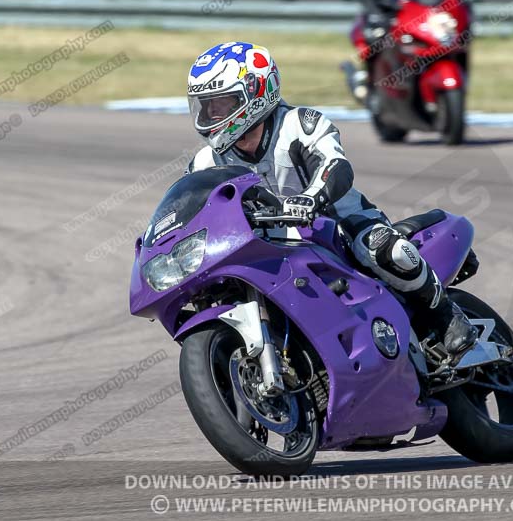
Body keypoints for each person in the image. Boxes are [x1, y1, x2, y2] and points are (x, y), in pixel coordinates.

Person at [184, 42, 477, 357]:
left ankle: (445, 314)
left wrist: (310, 198)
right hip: (268, 242)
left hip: (338, 223)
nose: (213, 114)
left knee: (384, 250)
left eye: (223, 103)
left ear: (257, 91)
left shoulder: (300, 123)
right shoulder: (206, 162)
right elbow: (193, 209)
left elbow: (335, 167)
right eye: (207, 105)